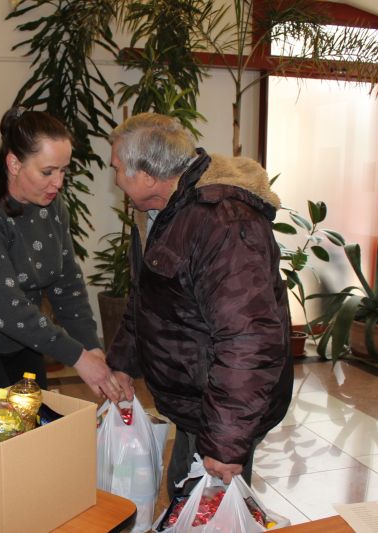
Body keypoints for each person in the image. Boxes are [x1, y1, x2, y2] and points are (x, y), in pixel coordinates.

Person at [104, 113, 292, 493]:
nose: (116, 178)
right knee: (182, 495)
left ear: (148, 176)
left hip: (222, 409)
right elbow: (148, 298)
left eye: (118, 168)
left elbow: (249, 339)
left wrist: (225, 441)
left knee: (209, 510)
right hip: (196, 404)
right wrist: (123, 364)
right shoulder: (161, 212)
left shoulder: (224, 223)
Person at [0, 107, 122, 401]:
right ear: (14, 163)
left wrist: (91, 347)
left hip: (20, 336)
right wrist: (78, 358)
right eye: (47, 172)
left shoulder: (51, 205)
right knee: (0, 423)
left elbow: (66, 283)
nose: (58, 183)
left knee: (34, 416)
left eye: (63, 170)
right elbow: (7, 307)